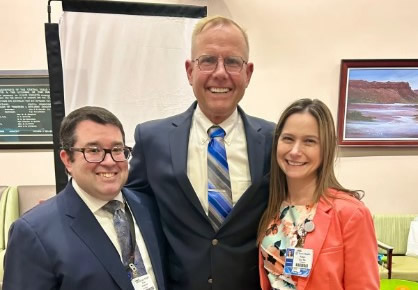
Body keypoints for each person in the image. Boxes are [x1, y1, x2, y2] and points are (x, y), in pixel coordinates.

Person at [126, 16, 275, 290]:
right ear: (190, 71)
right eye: (208, 60)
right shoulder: (151, 139)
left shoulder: (273, 139)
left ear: (248, 73)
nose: (220, 73)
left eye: (232, 61)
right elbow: (129, 208)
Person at [3, 106, 166, 290]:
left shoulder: (149, 207)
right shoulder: (33, 232)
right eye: (94, 150)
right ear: (67, 159)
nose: (110, 161)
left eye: (117, 149)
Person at [257, 98, 379, 290]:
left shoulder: (351, 214)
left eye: (309, 141)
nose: (295, 151)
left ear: (326, 149)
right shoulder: (270, 206)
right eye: (288, 138)